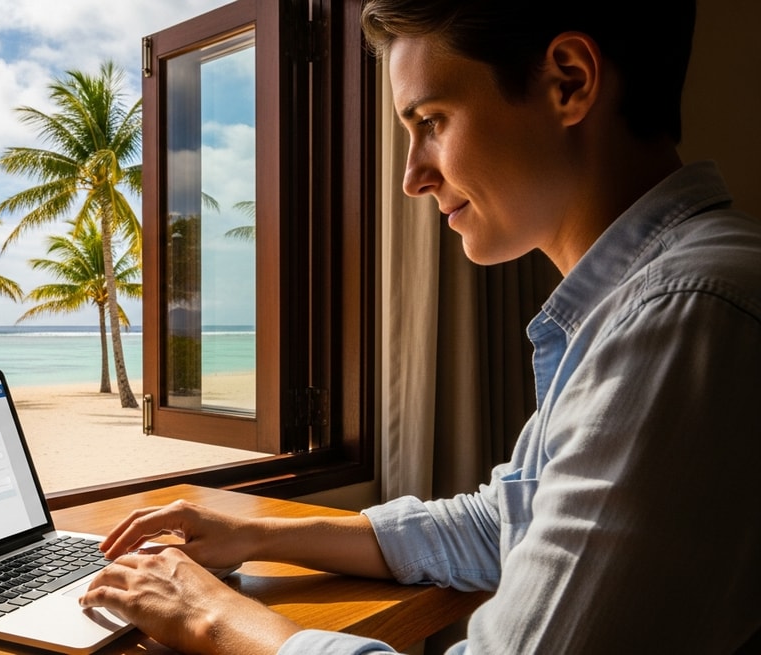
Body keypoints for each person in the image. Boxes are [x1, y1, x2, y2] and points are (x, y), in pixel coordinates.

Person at [78, 0, 761, 652]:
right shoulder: (648, 302)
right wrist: (254, 533)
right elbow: (504, 524)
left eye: (431, 120)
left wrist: (210, 616)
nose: (412, 176)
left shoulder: (681, 317)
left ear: (569, 82)